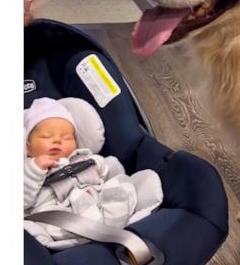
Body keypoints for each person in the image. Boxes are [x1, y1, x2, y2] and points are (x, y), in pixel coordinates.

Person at [24, 97, 163, 250]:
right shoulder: (26, 169)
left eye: (66, 137)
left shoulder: (84, 158)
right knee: (49, 224)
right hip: (58, 213)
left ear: (75, 143)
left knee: (121, 183)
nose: (57, 140)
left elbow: (109, 173)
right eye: (46, 136)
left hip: (97, 198)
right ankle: (108, 223)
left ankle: (114, 216)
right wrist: (35, 170)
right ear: (28, 147)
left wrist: (99, 165)